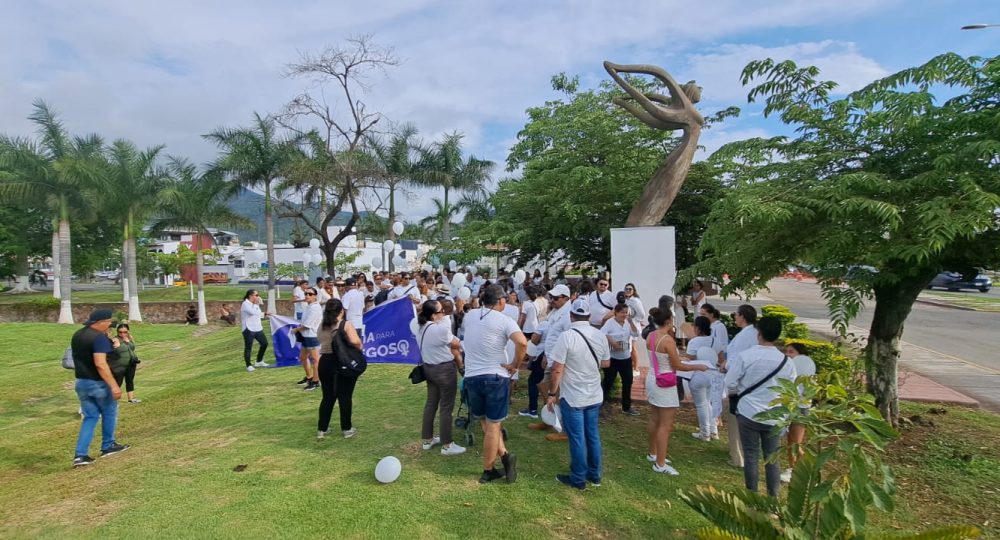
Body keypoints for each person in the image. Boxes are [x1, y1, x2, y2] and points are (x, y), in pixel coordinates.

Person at [461, 284, 528, 483]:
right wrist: (515, 365)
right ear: (500, 301)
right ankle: (488, 470)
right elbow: (522, 342)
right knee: (493, 425)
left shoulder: (470, 315)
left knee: (484, 421)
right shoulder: (505, 320)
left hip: (472, 376)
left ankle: (505, 456)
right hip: (495, 377)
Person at [726, 316, 797, 497]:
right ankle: (773, 500)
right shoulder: (786, 362)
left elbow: (730, 381)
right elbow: (791, 389)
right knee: (772, 458)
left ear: (759, 334)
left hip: (748, 412)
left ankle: (752, 497)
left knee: (751, 456)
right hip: (774, 416)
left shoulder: (746, 356)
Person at [546, 299, 611, 489]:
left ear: (571, 315)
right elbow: (606, 363)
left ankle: (578, 478)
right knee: (592, 435)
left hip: (573, 396)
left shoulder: (567, 336)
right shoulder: (599, 335)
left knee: (577, 437)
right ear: (589, 316)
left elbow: (557, 369)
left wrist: (551, 393)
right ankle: (595, 475)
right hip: (593, 394)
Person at [645, 307, 707, 475]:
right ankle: (660, 463)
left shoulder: (650, 335)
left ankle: (653, 453)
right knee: (665, 425)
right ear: (668, 321)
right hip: (665, 382)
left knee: (655, 418)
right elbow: (678, 365)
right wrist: (699, 366)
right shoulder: (667, 341)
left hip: (652, 377)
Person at [71, 309, 129, 467]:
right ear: (100, 322)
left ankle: (80, 455)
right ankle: (108, 446)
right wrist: (114, 386)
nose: (110, 324)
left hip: (81, 382)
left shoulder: (78, 335)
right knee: (110, 412)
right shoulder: (98, 339)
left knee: (90, 417)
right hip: (98, 383)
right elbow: (100, 364)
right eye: (108, 321)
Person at [417, 300, 466, 455]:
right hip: (444, 370)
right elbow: (456, 343)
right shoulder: (440, 330)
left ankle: (427, 439)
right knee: (446, 407)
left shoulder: (419, 326)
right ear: (433, 315)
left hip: (429, 368)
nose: (444, 314)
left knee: (431, 404)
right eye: (441, 312)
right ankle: (447, 445)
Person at [316, 299, 364, 439]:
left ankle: (322, 429)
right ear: (341, 311)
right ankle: (347, 428)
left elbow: (320, 341)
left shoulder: (322, 326)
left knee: (328, 397)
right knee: (345, 396)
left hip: (325, 362)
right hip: (342, 362)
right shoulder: (344, 325)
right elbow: (356, 341)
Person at [722, 304, 759, 468]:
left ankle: (738, 456)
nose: (734, 318)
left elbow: (738, 359)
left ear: (742, 316)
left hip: (739, 382)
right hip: (749, 382)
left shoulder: (745, 336)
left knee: (736, 420)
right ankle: (742, 453)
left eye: (736, 315)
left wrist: (726, 365)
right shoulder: (751, 333)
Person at [681, 316, 720, 440]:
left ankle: (705, 433)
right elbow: (721, 359)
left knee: (701, 404)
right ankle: (714, 431)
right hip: (713, 375)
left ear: (697, 328)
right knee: (708, 403)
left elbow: (689, 358)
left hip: (699, 375)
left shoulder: (694, 342)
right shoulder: (715, 340)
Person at [782, 342, 816, 483]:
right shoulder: (789, 369)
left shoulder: (807, 373)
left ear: (801, 355)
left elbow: (808, 393)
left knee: (796, 443)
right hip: (789, 406)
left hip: (800, 408)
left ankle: (808, 472)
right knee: (790, 442)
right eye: (786, 351)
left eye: (791, 351)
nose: (787, 354)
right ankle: (792, 469)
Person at [600, 303, 640, 416]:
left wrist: (631, 322)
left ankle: (626, 407)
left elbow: (636, 333)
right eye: (622, 312)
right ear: (616, 312)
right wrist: (612, 341)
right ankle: (601, 404)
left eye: (626, 312)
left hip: (626, 358)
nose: (624, 314)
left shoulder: (627, 322)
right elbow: (602, 333)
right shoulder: (610, 323)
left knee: (628, 382)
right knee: (608, 382)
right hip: (613, 358)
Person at [295, 287, 323, 391]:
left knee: (315, 359)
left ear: (315, 296)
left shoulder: (315, 307)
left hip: (312, 335)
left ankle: (316, 381)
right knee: (303, 357)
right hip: (306, 335)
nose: (307, 296)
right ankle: (309, 377)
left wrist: (296, 330)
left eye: (310, 294)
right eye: (306, 294)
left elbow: (307, 324)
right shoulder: (308, 306)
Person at [110, 323, 142, 404]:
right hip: (119, 366)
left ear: (128, 331)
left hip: (131, 364)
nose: (122, 334)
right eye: (120, 332)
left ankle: (131, 399)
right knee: (117, 383)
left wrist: (129, 341)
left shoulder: (129, 337)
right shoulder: (115, 339)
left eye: (125, 332)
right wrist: (114, 345)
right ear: (117, 332)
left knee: (130, 380)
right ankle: (111, 401)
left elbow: (132, 347)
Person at [240, 290, 270, 372]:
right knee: (248, 347)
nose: (258, 297)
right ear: (250, 296)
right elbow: (253, 312)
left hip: (257, 328)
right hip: (248, 328)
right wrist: (256, 304)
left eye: (258, 295)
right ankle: (248, 365)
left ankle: (259, 361)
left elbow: (259, 314)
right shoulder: (245, 304)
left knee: (264, 343)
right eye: (256, 295)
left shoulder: (255, 304)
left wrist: (265, 314)